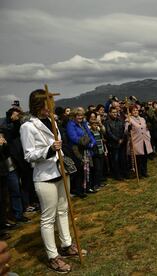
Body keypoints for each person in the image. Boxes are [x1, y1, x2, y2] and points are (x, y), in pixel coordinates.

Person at [20, 89, 85, 273]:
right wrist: (49, 150)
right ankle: (53, 256)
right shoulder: (28, 126)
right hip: (45, 176)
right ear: (40, 104)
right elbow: (28, 155)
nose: (52, 106)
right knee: (48, 217)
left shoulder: (53, 120)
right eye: (49, 103)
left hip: (61, 172)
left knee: (64, 210)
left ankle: (66, 244)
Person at [66, 107, 97, 196]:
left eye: (81, 115)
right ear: (74, 116)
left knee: (87, 169)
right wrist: (85, 143)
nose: (80, 117)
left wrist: (92, 143)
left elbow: (90, 134)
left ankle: (87, 187)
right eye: (78, 115)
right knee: (80, 170)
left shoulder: (83, 124)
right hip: (77, 150)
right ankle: (79, 190)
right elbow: (73, 137)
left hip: (87, 149)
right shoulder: (71, 124)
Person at [126, 104, 153, 177]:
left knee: (144, 157)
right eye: (133, 110)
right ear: (131, 112)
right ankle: (139, 173)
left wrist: (148, 136)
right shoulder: (129, 119)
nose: (135, 111)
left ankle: (145, 172)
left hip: (144, 140)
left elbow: (146, 129)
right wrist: (128, 128)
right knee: (138, 158)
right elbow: (126, 131)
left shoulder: (142, 119)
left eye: (136, 110)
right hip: (136, 141)